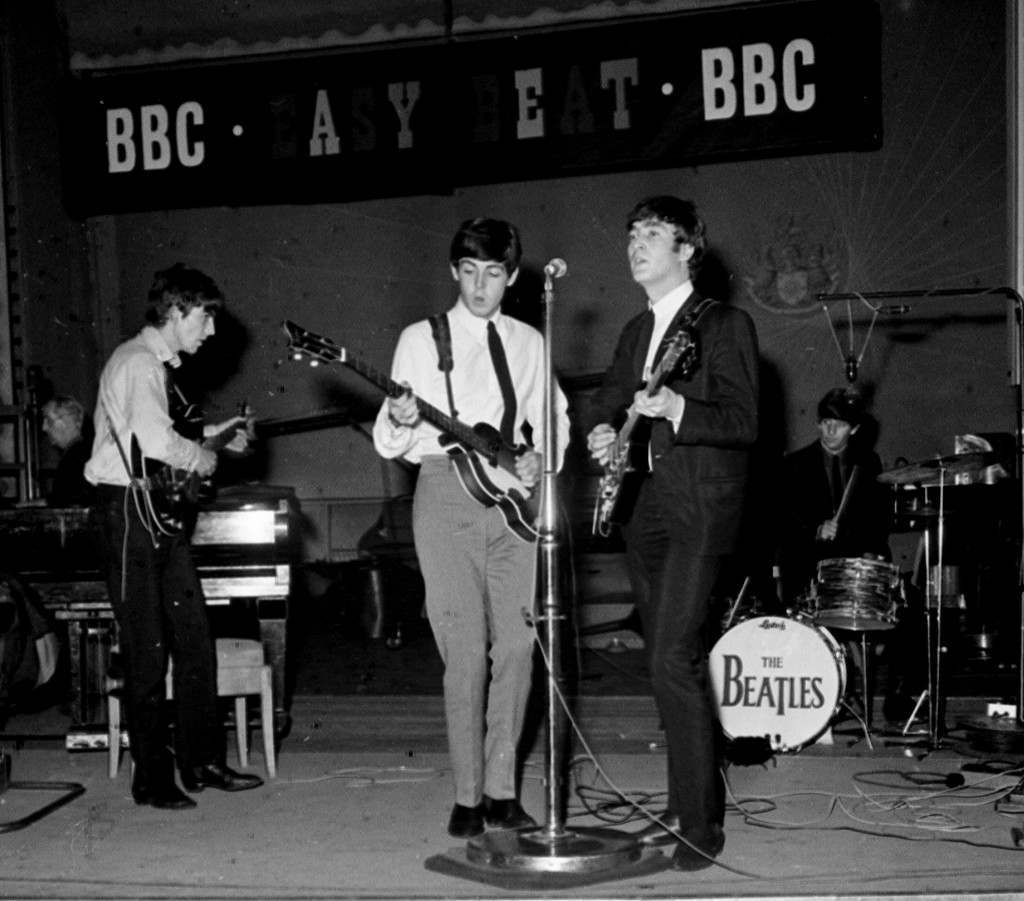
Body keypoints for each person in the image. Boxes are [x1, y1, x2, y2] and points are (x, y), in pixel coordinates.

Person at [372, 217, 569, 838]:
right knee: (464, 654)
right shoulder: (419, 339)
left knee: (516, 646)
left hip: (512, 501)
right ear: (454, 272)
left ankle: (504, 789)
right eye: (469, 271)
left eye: (493, 273)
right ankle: (468, 795)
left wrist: (541, 457)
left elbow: (553, 419)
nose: (480, 285)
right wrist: (402, 415)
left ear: (511, 278)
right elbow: (391, 438)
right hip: (443, 493)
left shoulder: (530, 342)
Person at [585, 196, 759, 870]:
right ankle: (686, 798)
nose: (636, 243)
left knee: (671, 658)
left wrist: (680, 404)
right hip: (647, 507)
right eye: (631, 233)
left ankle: (701, 824)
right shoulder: (636, 331)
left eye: (653, 233)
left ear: (689, 250)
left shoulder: (725, 324)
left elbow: (744, 420)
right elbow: (606, 401)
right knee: (665, 660)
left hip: (700, 508)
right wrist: (601, 429)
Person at [85, 263, 262, 810]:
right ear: (177, 311)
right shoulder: (138, 363)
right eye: (205, 318)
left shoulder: (152, 366)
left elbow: (166, 430)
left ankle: (202, 761)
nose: (210, 331)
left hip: (153, 514)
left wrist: (216, 435)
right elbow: (157, 439)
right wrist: (203, 456)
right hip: (129, 517)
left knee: (192, 638)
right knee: (146, 651)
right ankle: (152, 779)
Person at [776, 387, 891, 605]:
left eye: (839, 425)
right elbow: (783, 519)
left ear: (855, 429)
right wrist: (816, 530)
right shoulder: (794, 465)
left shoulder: (869, 463)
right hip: (807, 569)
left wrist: (869, 552)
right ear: (818, 423)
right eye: (826, 422)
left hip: (854, 572)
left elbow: (880, 517)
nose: (830, 430)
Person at [40, 395, 95, 506]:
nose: (44, 427)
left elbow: (63, 502)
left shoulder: (77, 457)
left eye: (49, 420)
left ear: (67, 421)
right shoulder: (78, 452)